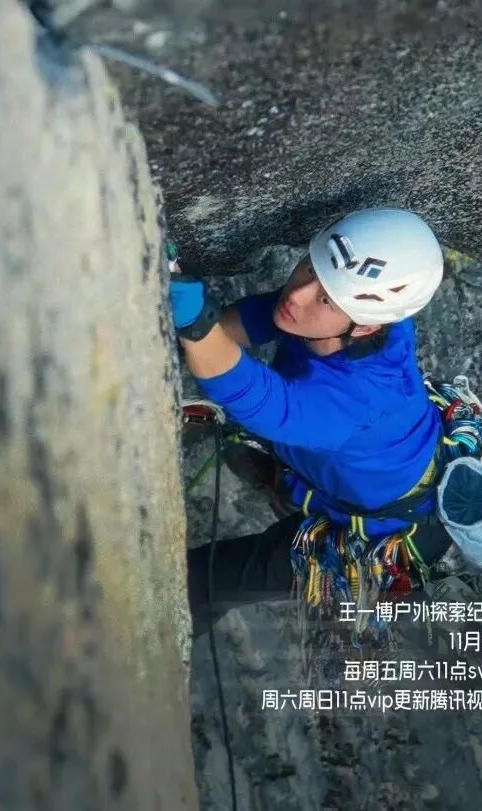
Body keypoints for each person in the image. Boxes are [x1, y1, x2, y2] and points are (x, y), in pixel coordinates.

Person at [170, 208, 454, 638]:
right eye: (310, 267)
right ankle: (286, 480)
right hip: (371, 471)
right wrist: (191, 321)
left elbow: (256, 398)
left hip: (378, 540)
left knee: (205, 582)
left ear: (366, 327)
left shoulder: (354, 399)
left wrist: (196, 325)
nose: (298, 293)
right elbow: (259, 317)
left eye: (325, 299)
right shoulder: (353, 315)